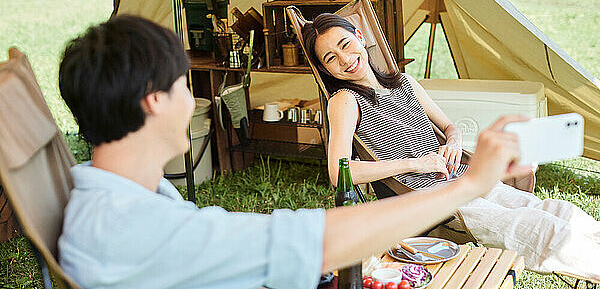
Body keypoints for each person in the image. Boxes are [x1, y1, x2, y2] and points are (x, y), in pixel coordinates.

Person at [57, 15, 531, 289]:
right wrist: (470, 183)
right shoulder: (133, 229)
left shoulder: (107, 193)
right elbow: (314, 240)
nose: (194, 100)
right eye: (186, 85)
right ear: (154, 99)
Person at [301, 12, 600, 280]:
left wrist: (454, 144)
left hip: (463, 179)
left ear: (360, 37)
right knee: (537, 227)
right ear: (327, 70)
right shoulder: (344, 100)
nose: (344, 59)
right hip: (432, 201)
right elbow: (339, 171)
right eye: (330, 58)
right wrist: (416, 164)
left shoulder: (404, 82)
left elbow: (449, 127)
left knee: (554, 210)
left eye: (344, 44)